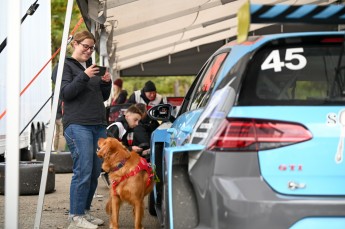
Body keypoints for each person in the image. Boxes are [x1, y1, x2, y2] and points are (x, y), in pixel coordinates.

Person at [57, 30, 112, 229]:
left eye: (91, 48)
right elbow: (66, 94)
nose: (89, 51)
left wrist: (106, 84)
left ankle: (85, 212)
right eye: (85, 46)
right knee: (83, 170)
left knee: (96, 170)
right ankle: (75, 217)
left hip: (98, 124)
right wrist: (84, 76)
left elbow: (102, 97)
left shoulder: (93, 67)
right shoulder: (65, 65)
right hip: (78, 124)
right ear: (75, 44)